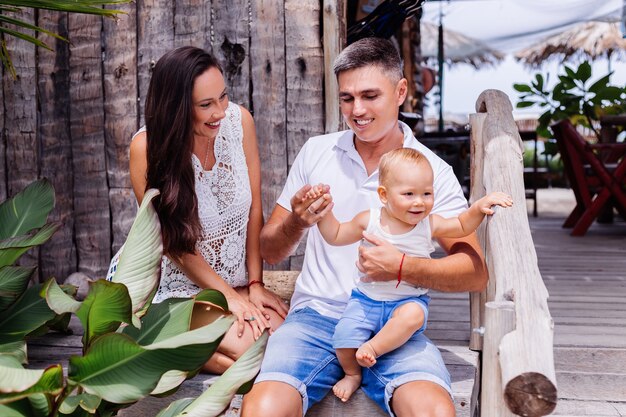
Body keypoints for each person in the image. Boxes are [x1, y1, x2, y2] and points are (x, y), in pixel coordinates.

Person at [241, 36, 489, 417]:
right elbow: (271, 249)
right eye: (347, 98)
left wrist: (403, 267)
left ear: (400, 91)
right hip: (315, 320)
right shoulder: (316, 151)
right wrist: (297, 222)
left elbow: (473, 272)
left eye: (370, 96)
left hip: (394, 326)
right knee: (261, 410)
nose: (357, 110)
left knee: (435, 412)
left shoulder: (432, 171)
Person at [303, 148, 512, 402]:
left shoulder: (428, 224)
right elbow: (335, 235)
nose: (419, 202)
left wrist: (478, 207)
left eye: (427, 193)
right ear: (383, 195)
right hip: (366, 300)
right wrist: (323, 214)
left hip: (406, 302)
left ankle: (373, 348)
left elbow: (460, 225)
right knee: (343, 337)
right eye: (409, 194)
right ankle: (352, 373)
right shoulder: (369, 220)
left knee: (412, 316)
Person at [127, 46, 288, 374]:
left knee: (286, 342)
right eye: (205, 105)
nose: (219, 112)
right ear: (177, 108)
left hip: (237, 282)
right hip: (177, 287)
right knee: (256, 356)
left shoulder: (240, 122)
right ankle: (159, 334)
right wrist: (228, 296)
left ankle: (173, 348)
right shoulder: (146, 149)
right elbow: (173, 244)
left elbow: (255, 208)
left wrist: (254, 285)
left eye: (223, 97)